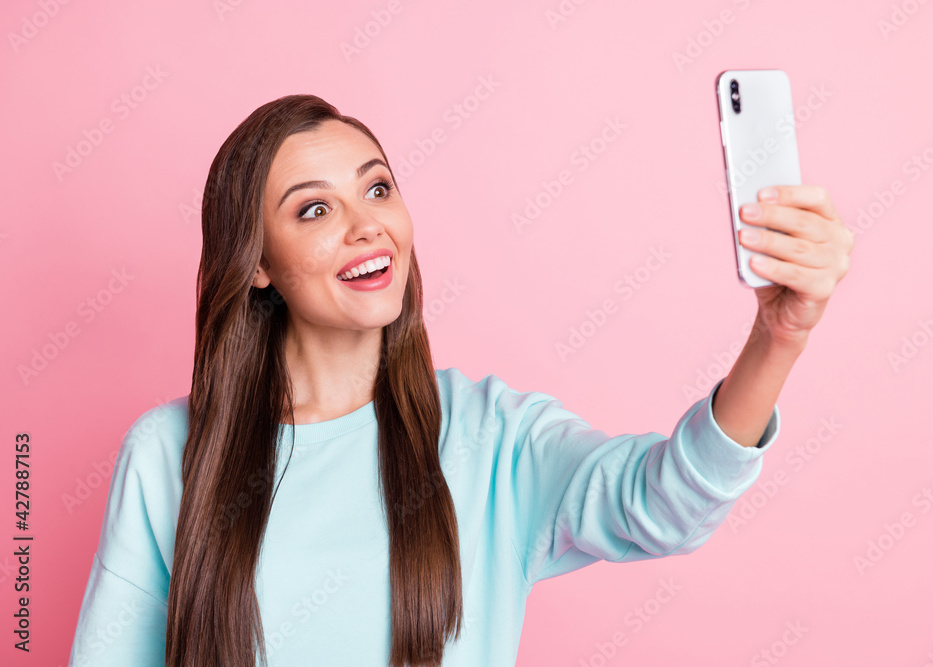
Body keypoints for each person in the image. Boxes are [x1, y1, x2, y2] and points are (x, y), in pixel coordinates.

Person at [68, 94, 853, 667]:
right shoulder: (169, 452)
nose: (367, 223)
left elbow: (665, 502)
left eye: (377, 188)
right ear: (259, 265)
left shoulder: (490, 436)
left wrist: (779, 335)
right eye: (314, 210)